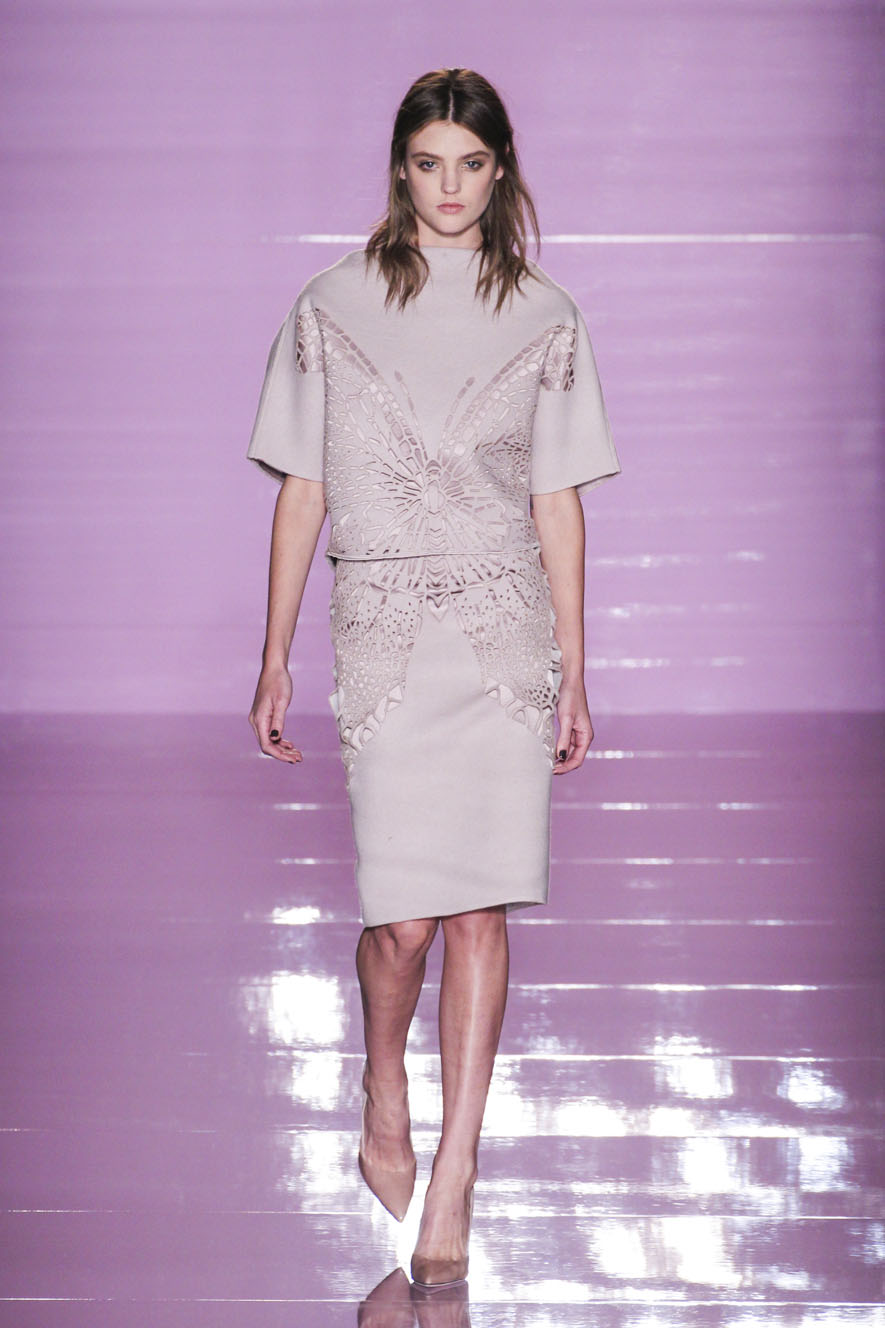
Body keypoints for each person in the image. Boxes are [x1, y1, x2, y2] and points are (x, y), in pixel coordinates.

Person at [245, 67, 620, 1288]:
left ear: (500, 171)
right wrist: (274, 653)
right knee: (402, 923)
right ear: (399, 169)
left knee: (481, 911)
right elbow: (304, 487)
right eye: (427, 164)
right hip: (387, 626)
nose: (448, 187)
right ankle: (382, 1079)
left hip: (503, 633)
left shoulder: (547, 314)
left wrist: (575, 670)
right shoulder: (329, 304)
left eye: (470, 164)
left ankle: (458, 1166)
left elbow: (556, 501)